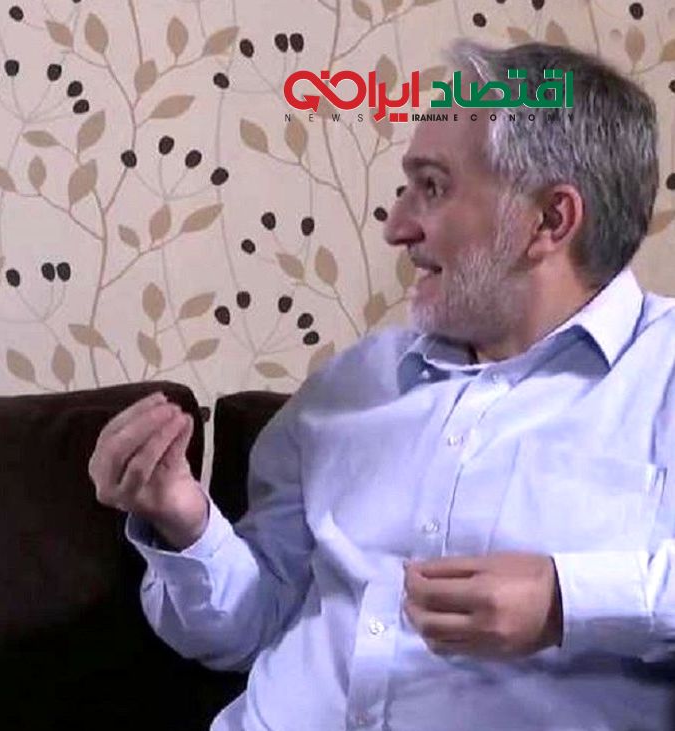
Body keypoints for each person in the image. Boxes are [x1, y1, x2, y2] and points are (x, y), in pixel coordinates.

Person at [89, 40, 675, 730]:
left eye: (433, 186)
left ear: (548, 221)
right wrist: (185, 524)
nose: (397, 226)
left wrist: (566, 600)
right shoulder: (351, 385)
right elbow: (245, 629)